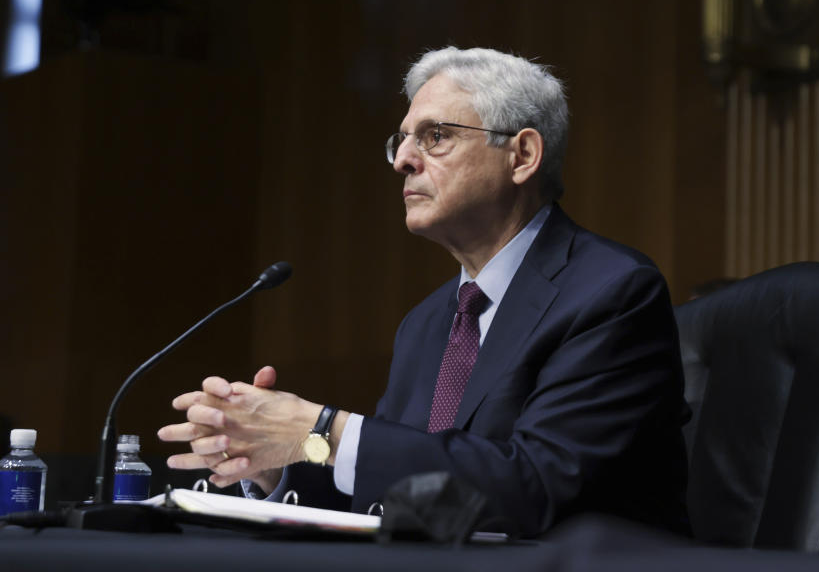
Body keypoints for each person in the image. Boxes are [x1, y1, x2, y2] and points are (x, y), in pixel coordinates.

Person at [158, 47, 690, 536]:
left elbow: (536, 487)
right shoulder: (429, 321)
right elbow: (399, 492)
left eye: (435, 136)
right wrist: (277, 461)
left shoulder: (612, 293)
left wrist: (322, 429)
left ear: (522, 155)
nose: (402, 160)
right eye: (403, 139)